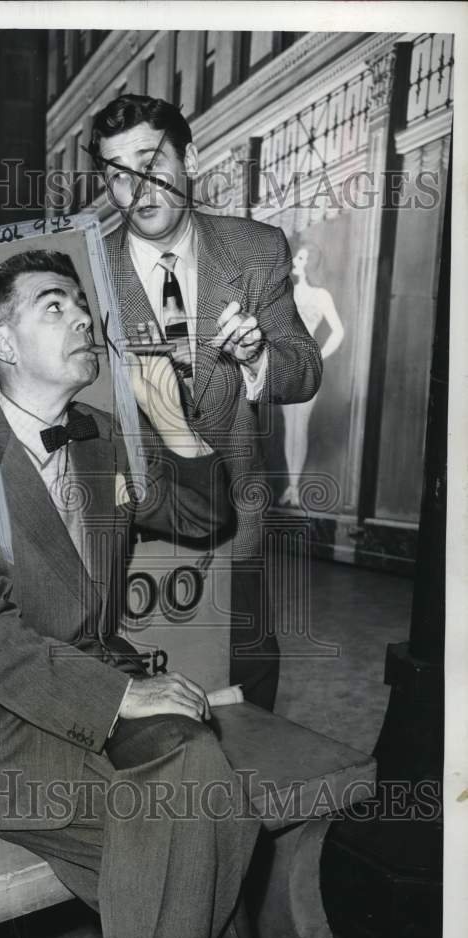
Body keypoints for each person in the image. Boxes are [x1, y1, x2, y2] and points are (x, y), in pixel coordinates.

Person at [0, 248, 261, 938]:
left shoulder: (101, 436)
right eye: (54, 307)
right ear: (2, 342)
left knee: (196, 801)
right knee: (204, 811)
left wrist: (170, 420)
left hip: (92, 680)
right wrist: (124, 696)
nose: (84, 319)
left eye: (83, 307)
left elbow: (205, 518)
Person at [90, 94, 324, 712]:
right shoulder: (83, 271)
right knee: (145, 711)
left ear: (189, 160)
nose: (138, 189)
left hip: (235, 528)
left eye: (151, 164)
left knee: (248, 689)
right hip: (127, 537)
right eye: (118, 174)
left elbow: (304, 370)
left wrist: (257, 356)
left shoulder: (256, 249)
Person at [280, 243, 345, 507]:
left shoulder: (321, 295)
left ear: (311, 264)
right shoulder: (286, 291)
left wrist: (320, 356)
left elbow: (339, 331)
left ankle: (295, 488)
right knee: (290, 426)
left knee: (301, 425)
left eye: (301, 258)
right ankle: (291, 486)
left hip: (307, 366)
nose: (295, 260)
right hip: (285, 365)